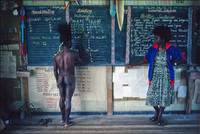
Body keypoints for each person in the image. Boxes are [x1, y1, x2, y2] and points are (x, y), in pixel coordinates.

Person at [125, 26, 186, 126]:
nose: (154, 39)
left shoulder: (171, 48)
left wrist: (175, 63)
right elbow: (145, 59)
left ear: (163, 39)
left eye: (156, 37)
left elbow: (182, 57)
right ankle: (157, 112)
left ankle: (160, 116)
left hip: (166, 76)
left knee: (164, 96)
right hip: (154, 76)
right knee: (152, 96)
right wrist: (133, 64)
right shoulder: (152, 49)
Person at [53, 22, 84, 127]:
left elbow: (54, 70)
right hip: (69, 78)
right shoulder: (73, 54)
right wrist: (80, 50)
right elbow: (82, 62)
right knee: (68, 99)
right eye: (71, 42)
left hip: (60, 77)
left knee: (62, 98)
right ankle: (67, 122)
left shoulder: (56, 55)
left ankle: (63, 118)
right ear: (68, 43)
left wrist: (57, 80)